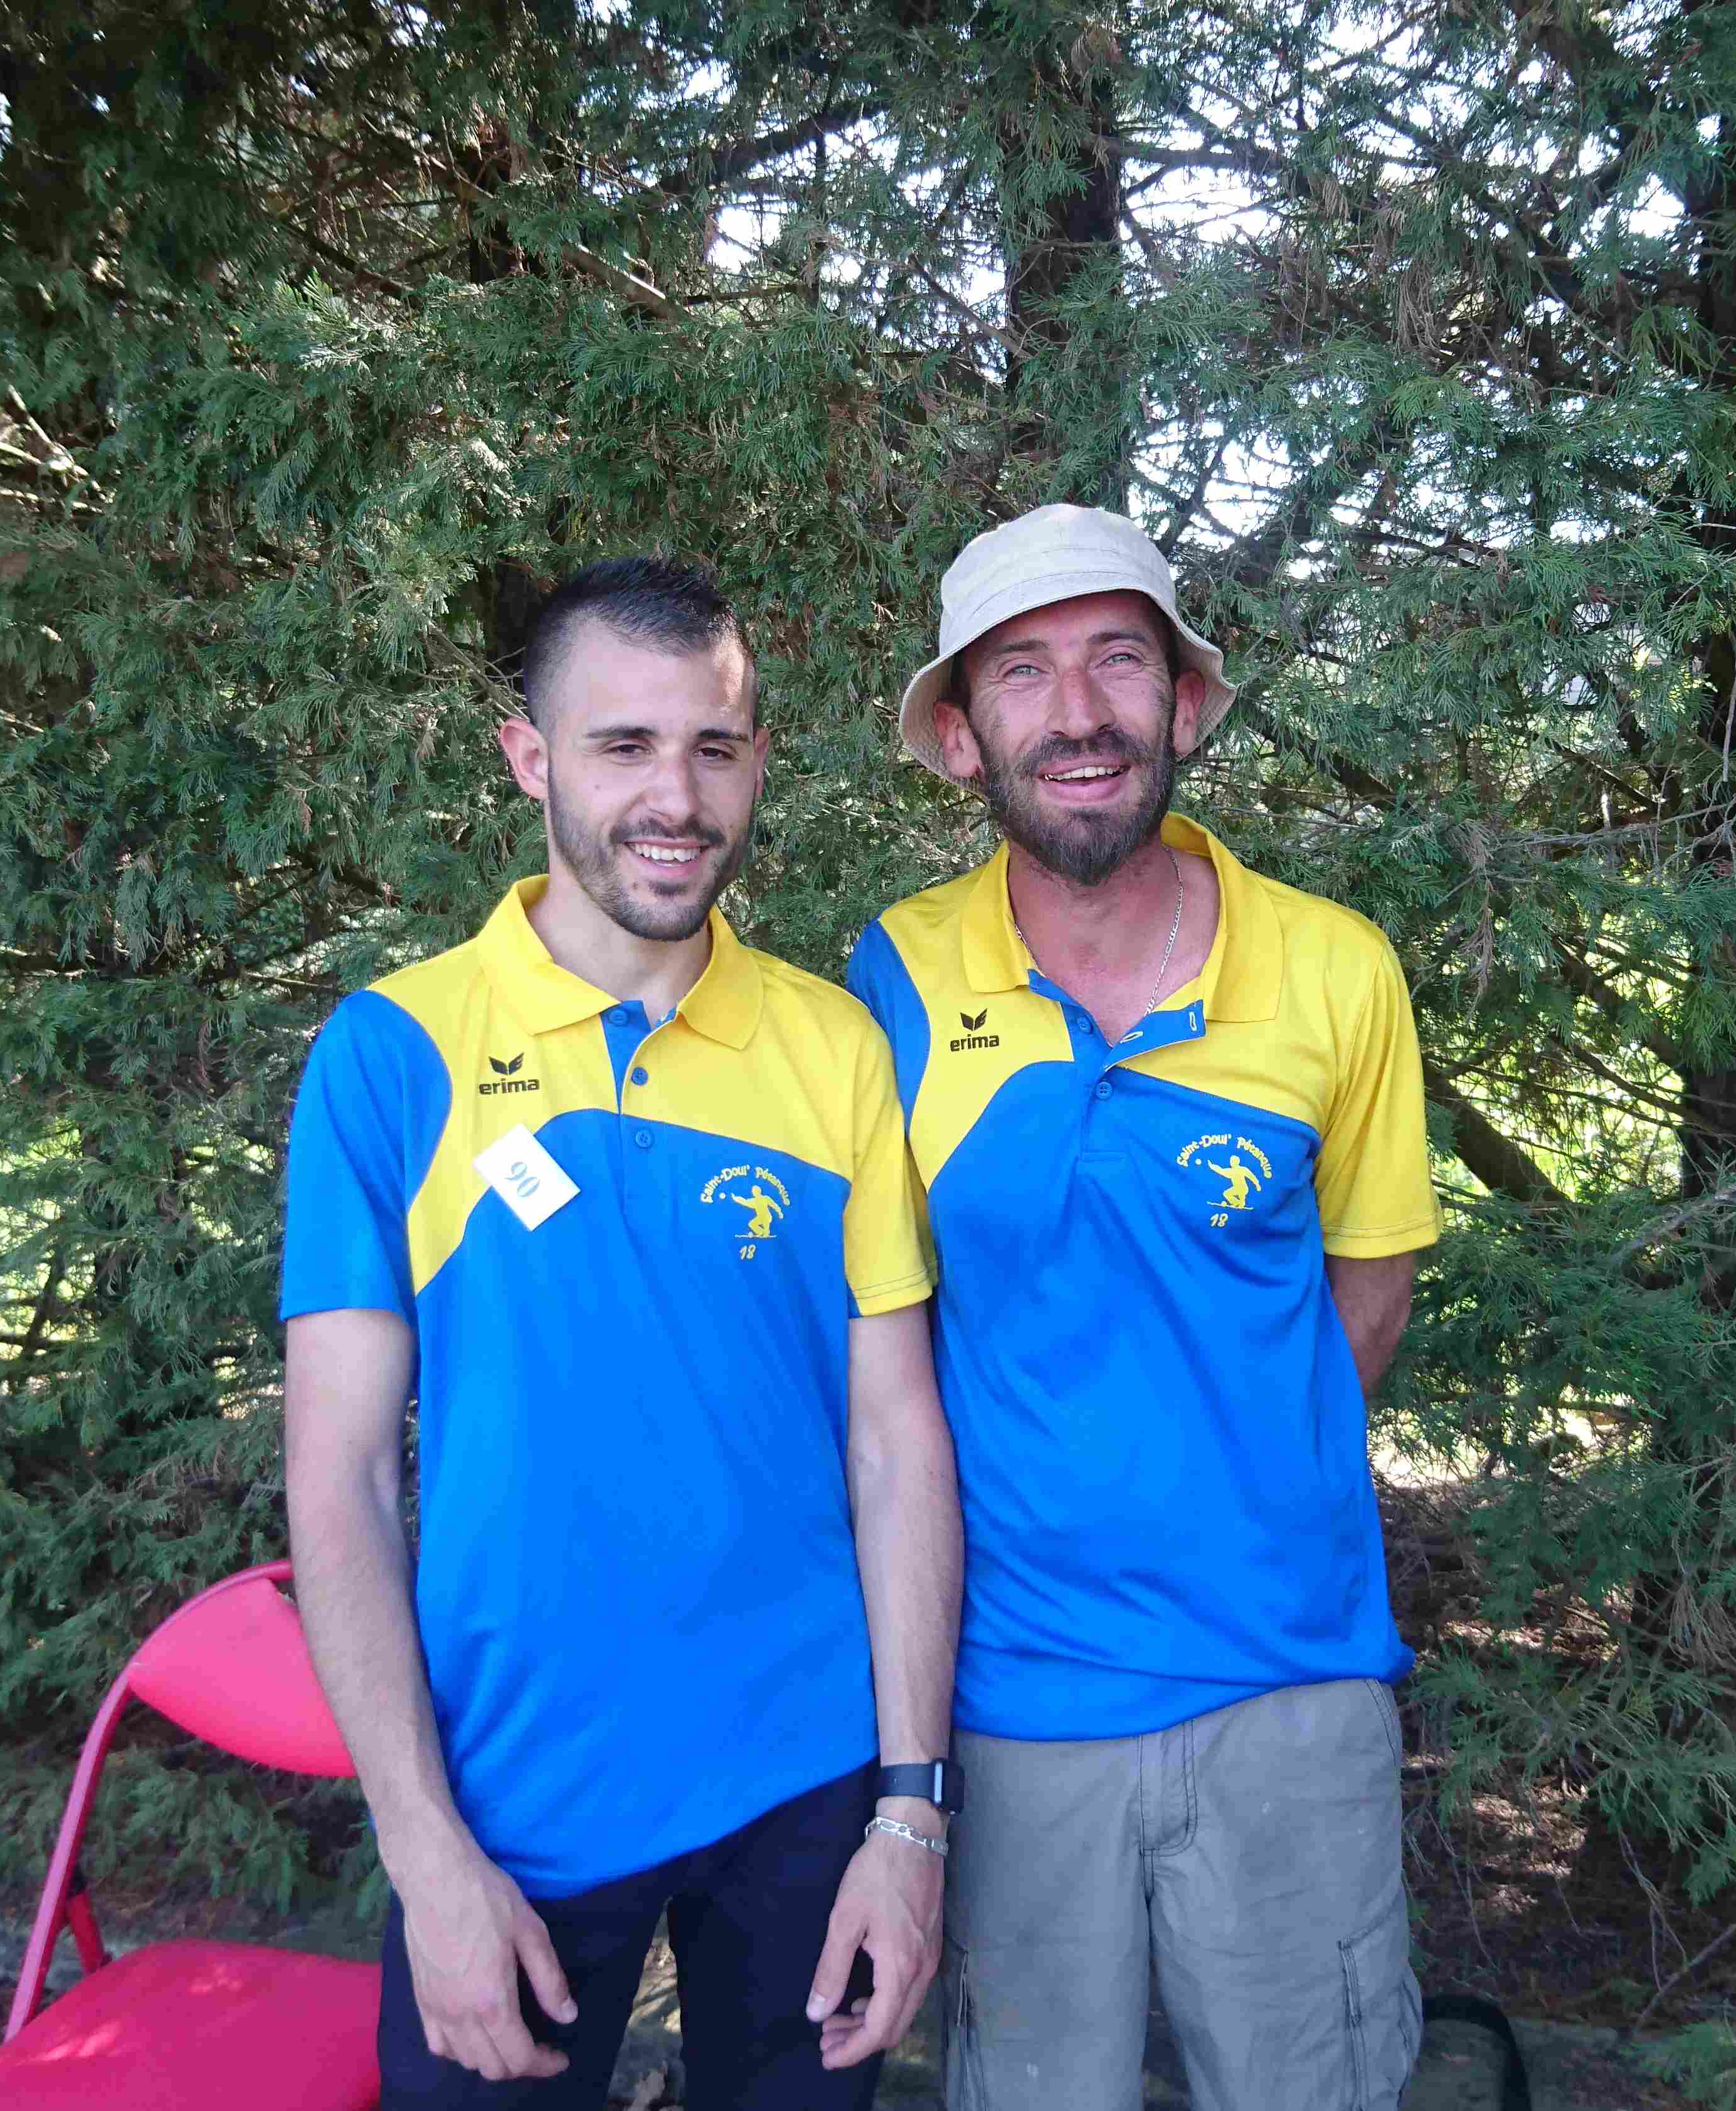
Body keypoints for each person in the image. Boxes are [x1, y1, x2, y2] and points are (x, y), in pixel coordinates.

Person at [281, 558, 965, 2110]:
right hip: (509, 1809)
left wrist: (909, 1814)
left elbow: (895, 1439)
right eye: (623, 746)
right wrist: (423, 1853)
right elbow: (340, 1478)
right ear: (530, 759)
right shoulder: (391, 1056)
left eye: (714, 748)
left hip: (809, 1787)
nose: (676, 797)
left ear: (759, 762)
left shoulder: (834, 1048)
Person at [845, 506, 1437, 2111]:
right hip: (1010, 1701)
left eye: (1119, 659)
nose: (1078, 712)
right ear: (960, 739)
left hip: (1288, 1683)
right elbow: (881, 1352)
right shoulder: (893, 980)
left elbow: (1368, 1298)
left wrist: (1226, 1472)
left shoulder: (1335, 971)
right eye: (1020, 673)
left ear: (1182, 704)